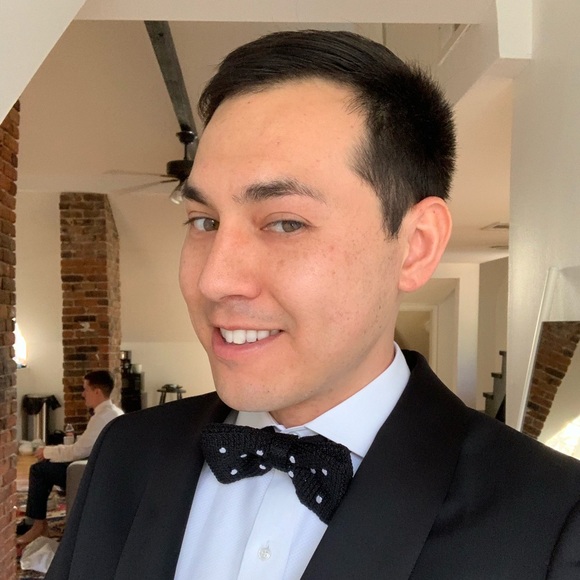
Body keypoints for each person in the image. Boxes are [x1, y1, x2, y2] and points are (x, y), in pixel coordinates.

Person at [47, 30, 580, 579]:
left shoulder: (552, 521)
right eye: (204, 221)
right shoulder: (126, 454)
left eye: (285, 223)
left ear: (415, 246)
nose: (214, 279)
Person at [17, 370, 123, 546]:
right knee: (47, 465)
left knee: (39, 470)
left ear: (97, 392)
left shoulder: (102, 417)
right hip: (102, 467)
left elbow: (77, 452)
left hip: (96, 474)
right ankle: (38, 523)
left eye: (86, 389)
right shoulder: (114, 412)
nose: (83, 394)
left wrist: (46, 451)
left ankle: (38, 526)